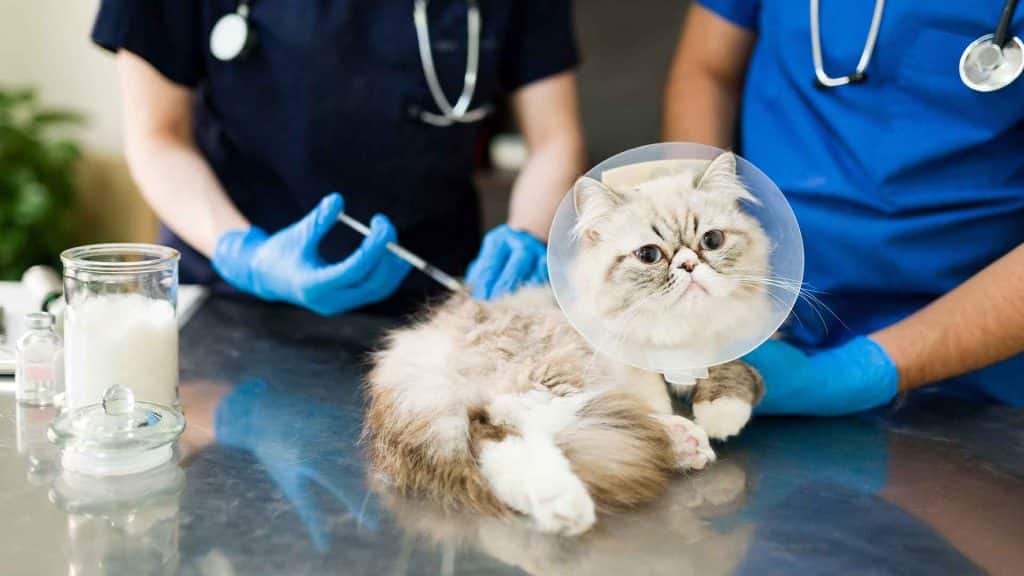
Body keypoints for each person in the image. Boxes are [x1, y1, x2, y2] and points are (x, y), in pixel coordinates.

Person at [92, 0, 584, 315]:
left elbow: (554, 138)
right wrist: (244, 253)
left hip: (433, 300)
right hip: (227, 293)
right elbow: (158, 136)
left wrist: (530, 233)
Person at [663, 1, 1024, 414]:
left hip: (974, 375)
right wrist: (700, 232)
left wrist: (859, 372)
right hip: (756, 320)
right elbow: (709, 71)